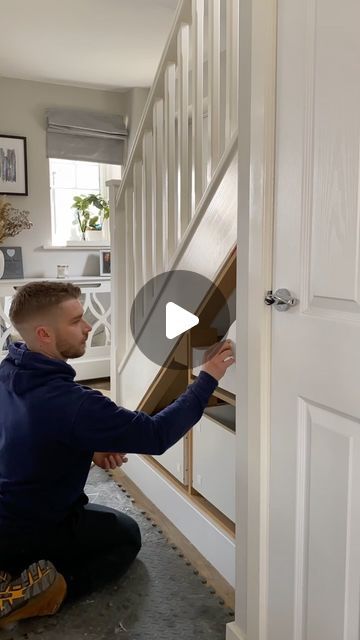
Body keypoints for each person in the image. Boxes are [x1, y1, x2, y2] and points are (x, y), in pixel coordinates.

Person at [0, 281, 234, 626]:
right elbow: (155, 435)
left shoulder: (9, 370)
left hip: (9, 512)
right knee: (125, 535)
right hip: (33, 524)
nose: (88, 326)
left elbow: (27, 432)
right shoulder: (75, 403)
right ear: (44, 334)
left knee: (97, 516)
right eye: (76, 320)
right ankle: (49, 593)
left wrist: (89, 445)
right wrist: (208, 377)